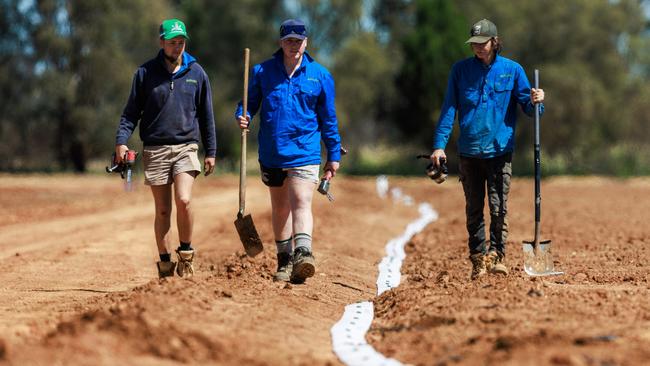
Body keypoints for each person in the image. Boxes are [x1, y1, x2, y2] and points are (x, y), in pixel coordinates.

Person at [430, 19, 545, 280]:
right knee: (473, 209)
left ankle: (497, 255)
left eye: (483, 44)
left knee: (499, 207)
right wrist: (439, 145)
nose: (478, 49)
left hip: (499, 151)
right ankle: (478, 259)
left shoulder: (513, 70)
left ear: (495, 42)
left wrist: (537, 101)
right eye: (474, 45)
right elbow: (449, 108)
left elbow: (529, 107)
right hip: (469, 152)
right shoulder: (460, 71)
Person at [235, 19, 342, 284]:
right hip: (272, 152)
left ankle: (303, 254)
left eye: (298, 40)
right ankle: (284, 260)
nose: (294, 45)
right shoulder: (262, 72)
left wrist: (334, 155)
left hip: (305, 151)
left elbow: (329, 119)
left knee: (301, 202)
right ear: (280, 43)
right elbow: (247, 104)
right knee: (280, 207)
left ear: (306, 42)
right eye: (289, 40)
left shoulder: (320, 75)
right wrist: (243, 115)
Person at [115, 18, 216, 278]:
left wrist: (211, 151)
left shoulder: (197, 73)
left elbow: (206, 116)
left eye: (181, 42)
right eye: (172, 43)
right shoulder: (145, 73)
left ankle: (186, 254)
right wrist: (121, 141)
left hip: (186, 146)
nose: (177, 47)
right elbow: (130, 114)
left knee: (184, 199)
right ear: (161, 42)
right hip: (155, 149)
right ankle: (164, 264)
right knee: (162, 210)